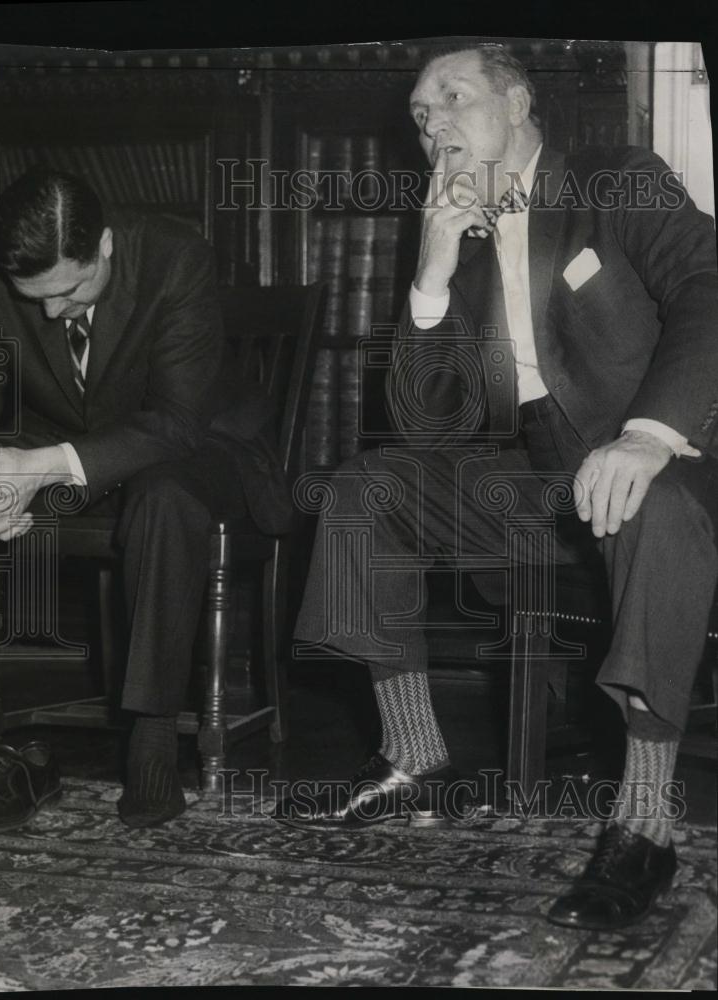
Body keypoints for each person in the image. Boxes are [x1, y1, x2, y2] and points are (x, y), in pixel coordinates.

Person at [276, 44, 718, 931]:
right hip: (533, 483)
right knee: (368, 488)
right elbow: (418, 425)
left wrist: (645, 435)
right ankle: (413, 759)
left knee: (653, 503)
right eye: (418, 114)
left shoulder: (614, 177)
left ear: (516, 102)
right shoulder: (454, 235)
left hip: (665, 461)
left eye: (451, 96)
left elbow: (709, 286)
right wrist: (432, 271)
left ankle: (642, 824)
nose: (431, 121)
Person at [0, 167, 290, 830]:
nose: (50, 310)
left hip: (199, 450)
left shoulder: (174, 256)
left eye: (68, 289)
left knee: (165, 497)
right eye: (31, 296)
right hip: (69, 449)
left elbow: (176, 422)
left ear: (104, 245)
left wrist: (37, 468)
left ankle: (151, 744)